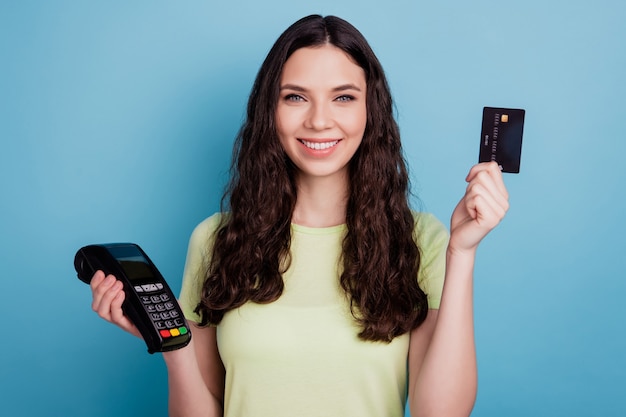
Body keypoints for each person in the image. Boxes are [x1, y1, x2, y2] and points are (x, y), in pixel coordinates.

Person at [90, 14, 509, 417]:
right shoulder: (216, 239)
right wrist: (174, 349)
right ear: (269, 110)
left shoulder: (422, 240)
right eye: (295, 97)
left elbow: (440, 412)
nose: (319, 120)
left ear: (371, 111)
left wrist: (462, 253)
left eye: (343, 97)